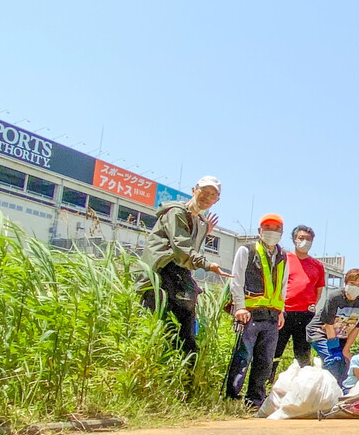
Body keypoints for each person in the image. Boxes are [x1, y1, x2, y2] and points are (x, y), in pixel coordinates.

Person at [134, 175, 228, 359]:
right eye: (204, 191)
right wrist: (208, 265)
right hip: (159, 277)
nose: (207, 197)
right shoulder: (176, 212)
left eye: (212, 195)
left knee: (184, 337)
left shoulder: (200, 223)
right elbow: (182, 250)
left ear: (216, 201)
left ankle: (181, 381)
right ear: (194, 190)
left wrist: (203, 230)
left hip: (179, 278)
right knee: (154, 331)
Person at [225, 213, 289, 408]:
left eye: (276, 229)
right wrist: (239, 307)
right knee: (243, 356)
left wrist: (281, 311)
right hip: (249, 313)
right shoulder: (247, 250)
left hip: (271, 316)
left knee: (265, 360)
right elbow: (236, 281)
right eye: (268, 228)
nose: (272, 232)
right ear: (260, 231)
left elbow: (283, 285)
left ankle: (255, 400)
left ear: (281, 232)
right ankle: (232, 398)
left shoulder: (283, 255)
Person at [272, 225, 324, 376]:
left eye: (308, 239)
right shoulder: (284, 258)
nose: (304, 242)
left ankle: (303, 386)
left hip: (305, 315)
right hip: (284, 312)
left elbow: (318, 290)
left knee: (303, 355)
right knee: (275, 351)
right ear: (294, 239)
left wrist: (311, 305)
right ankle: (266, 386)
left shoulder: (317, 265)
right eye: (301, 238)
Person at [307, 268, 359, 386]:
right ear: (346, 283)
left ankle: (340, 392)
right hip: (321, 332)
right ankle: (326, 391)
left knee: (344, 364)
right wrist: (335, 350)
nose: (355, 286)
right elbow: (329, 325)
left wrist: (346, 349)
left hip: (341, 335)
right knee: (332, 361)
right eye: (352, 283)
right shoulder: (335, 297)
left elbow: (357, 328)